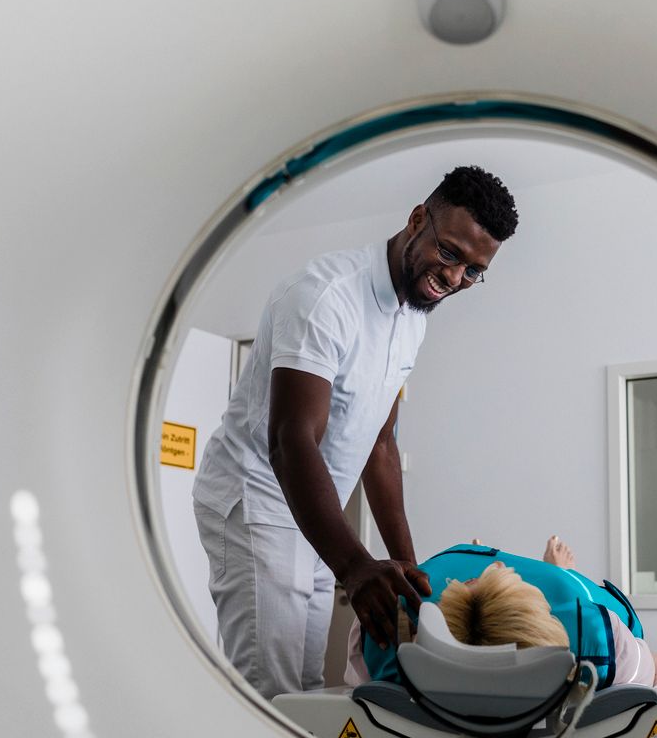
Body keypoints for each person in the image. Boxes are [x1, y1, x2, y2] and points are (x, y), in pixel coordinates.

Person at [192, 166, 519, 699]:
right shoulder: (324, 296)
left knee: (305, 690)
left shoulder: (413, 314)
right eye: (451, 253)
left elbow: (381, 443)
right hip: (258, 503)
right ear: (418, 220)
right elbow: (290, 438)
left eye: (474, 271)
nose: (455, 278)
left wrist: (412, 573)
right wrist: (355, 567)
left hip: (313, 513)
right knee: (269, 696)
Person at [347, 537, 657, 689]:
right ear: (543, 615)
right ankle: (559, 572)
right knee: (562, 583)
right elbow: (655, 665)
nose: (494, 565)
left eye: (470, 581)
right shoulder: (601, 646)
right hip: (562, 605)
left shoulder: (383, 640)